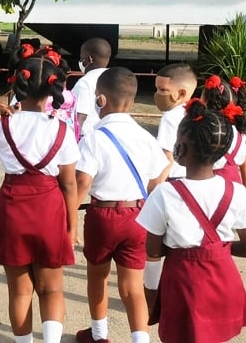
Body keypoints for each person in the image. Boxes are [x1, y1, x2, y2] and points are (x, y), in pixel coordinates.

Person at [0, 46, 79, 343]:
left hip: (12, 206)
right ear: (54, 89)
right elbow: (69, 184)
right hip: (49, 208)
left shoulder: (1, 124)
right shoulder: (62, 130)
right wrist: (72, 227)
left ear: (17, 85)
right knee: (52, 288)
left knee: (20, 291)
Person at [136, 99, 246, 343]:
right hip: (223, 281)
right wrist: (217, 249)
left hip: (184, 283)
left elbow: (152, 252)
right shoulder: (236, 191)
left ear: (180, 148)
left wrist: (151, 296)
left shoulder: (164, 193)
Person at [74, 67, 169, 343]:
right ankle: (141, 340)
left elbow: (82, 182)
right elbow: (157, 180)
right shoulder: (145, 137)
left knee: (98, 276)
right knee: (132, 287)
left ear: (100, 100)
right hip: (138, 214)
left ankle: (99, 335)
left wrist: (68, 220)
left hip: (103, 214)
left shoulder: (94, 138)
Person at [200, 74, 246, 192]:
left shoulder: (202, 129)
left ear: (205, 101)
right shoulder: (239, 132)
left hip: (208, 187)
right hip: (234, 189)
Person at [154, 63, 197, 179]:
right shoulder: (197, 113)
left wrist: (156, 186)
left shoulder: (170, 117)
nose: (157, 94)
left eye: (163, 90)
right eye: (157, 89)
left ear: (181, 93)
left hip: (174, 178)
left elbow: (167, 157)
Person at [71, 38, 111, 138]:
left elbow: (80, 117)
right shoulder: (113, 78)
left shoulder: (85, 83)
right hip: (108, 135)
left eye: (81, 57)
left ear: (89, 59)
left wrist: (73, 142)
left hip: (86, 137)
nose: (80, 61)